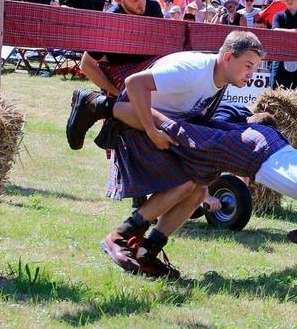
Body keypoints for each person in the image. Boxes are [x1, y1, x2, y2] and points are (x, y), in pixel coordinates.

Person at [66, 32, 265, 277]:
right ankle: (119, 237)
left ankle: (146, 252)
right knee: (184, 183)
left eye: (254, 68)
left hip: (161, 125)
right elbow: (134, 83)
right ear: (227, 57)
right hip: (134, 125)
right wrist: (151, 131)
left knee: (197, 187)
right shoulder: (193, 70)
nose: (251, 74)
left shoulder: (219, 82)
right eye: (248, 66)